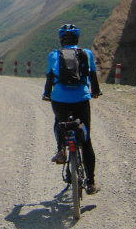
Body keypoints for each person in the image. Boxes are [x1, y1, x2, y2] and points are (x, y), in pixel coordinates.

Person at [42, 23, 101, 194]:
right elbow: (93, 76)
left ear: (61, 40)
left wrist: (47, 94)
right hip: (81, 99)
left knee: (59, 122)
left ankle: (61, 149)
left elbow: (49, 77)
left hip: (59, 99)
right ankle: (90, 183)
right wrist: (95, 92)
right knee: (86, 140)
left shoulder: (54, 55)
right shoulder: (86, 54)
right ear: (77, 39)